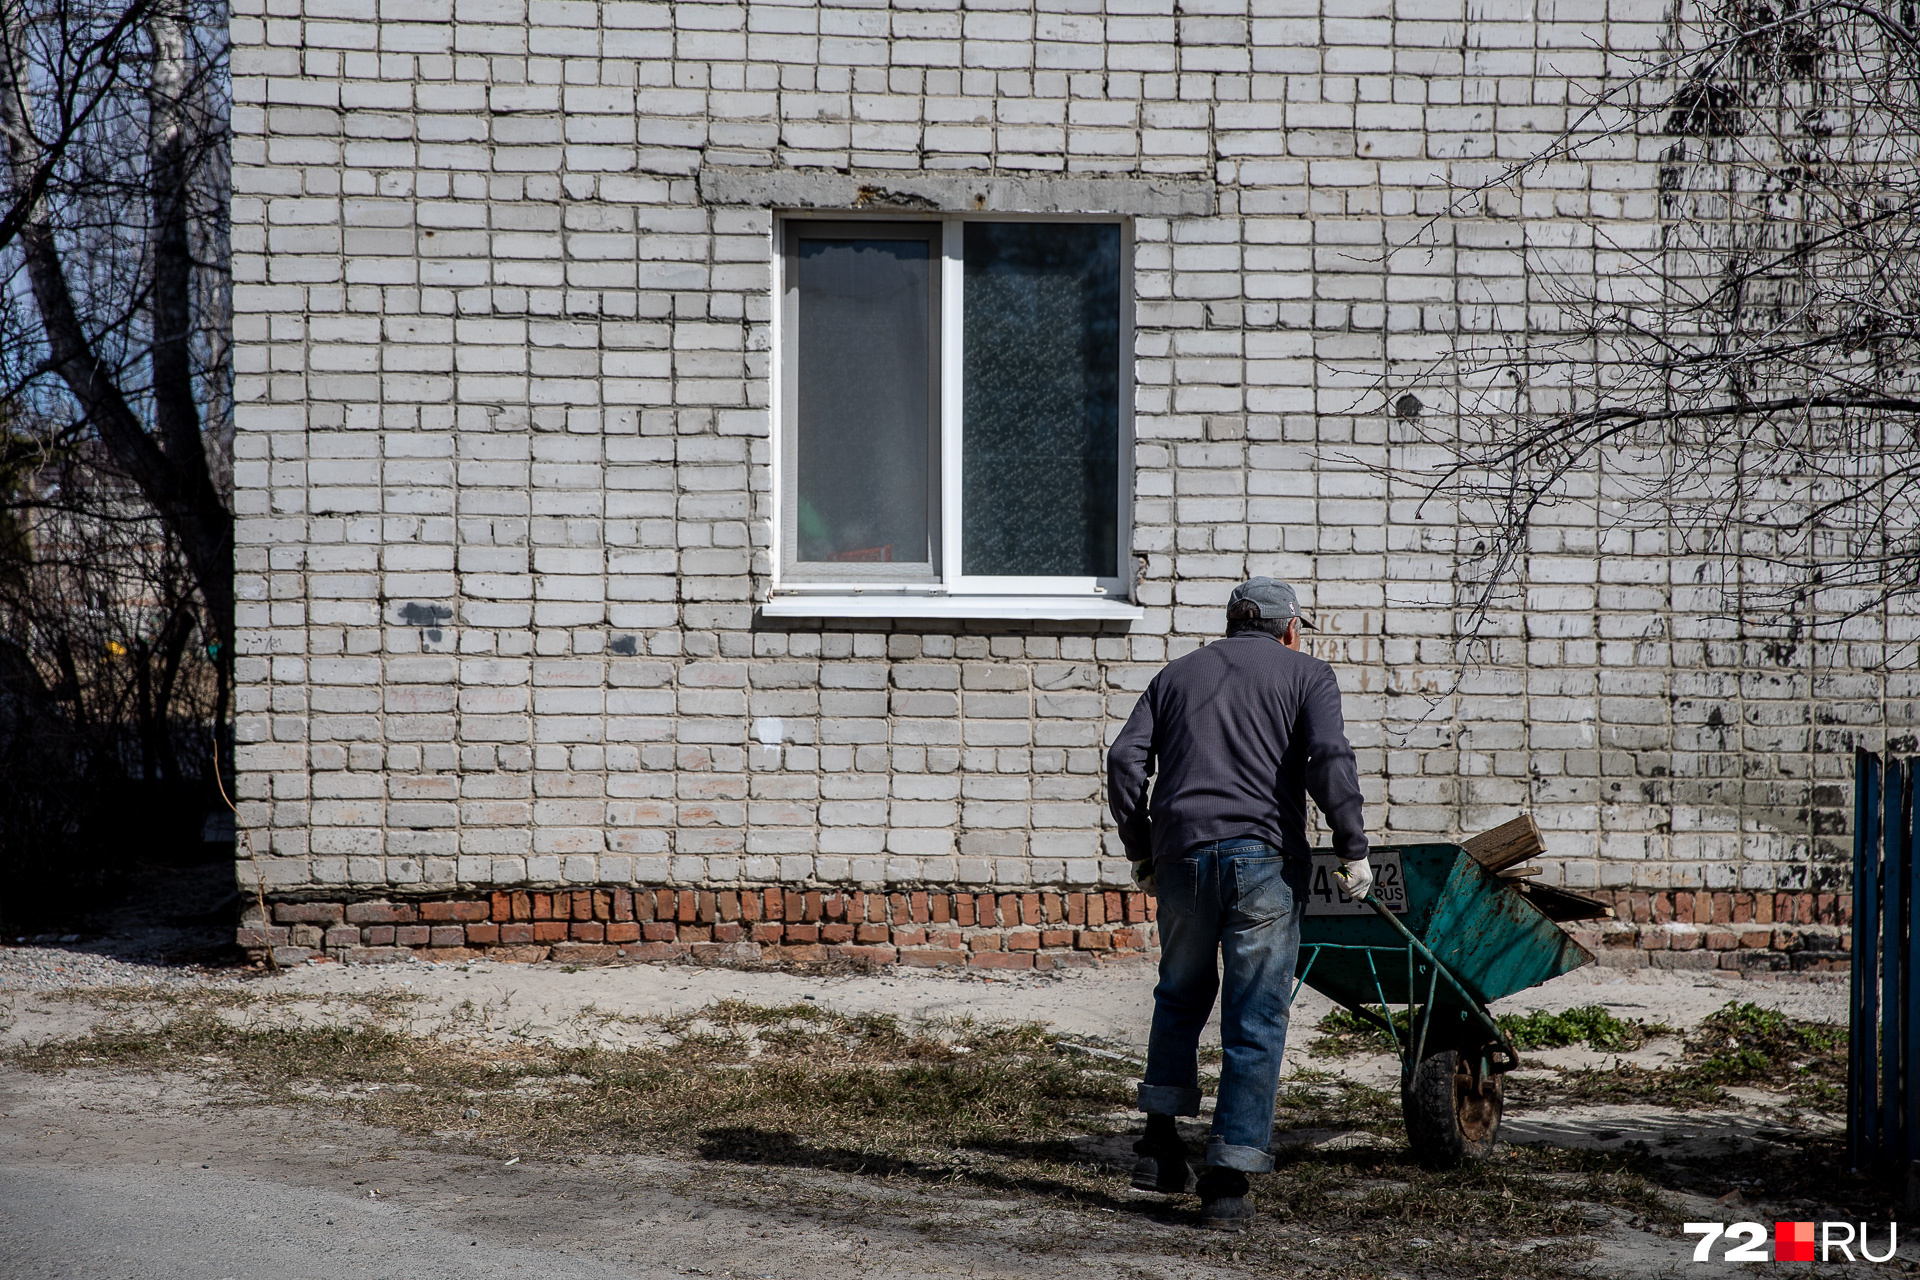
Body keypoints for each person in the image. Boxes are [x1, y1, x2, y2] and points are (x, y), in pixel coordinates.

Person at [1105, 577, 1372, 1231]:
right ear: (1289, 629)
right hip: (1263, 862)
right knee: (1254, 1016)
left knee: (1179, 994)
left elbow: (1123, 760)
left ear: (1232, 625)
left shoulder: (1176, 675)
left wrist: (1143, 848)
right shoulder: (1308, 675)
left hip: (1182, 858)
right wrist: (1352, 845)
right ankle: (1226, 1181)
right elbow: (1329, 758)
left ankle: (1159, 1146)